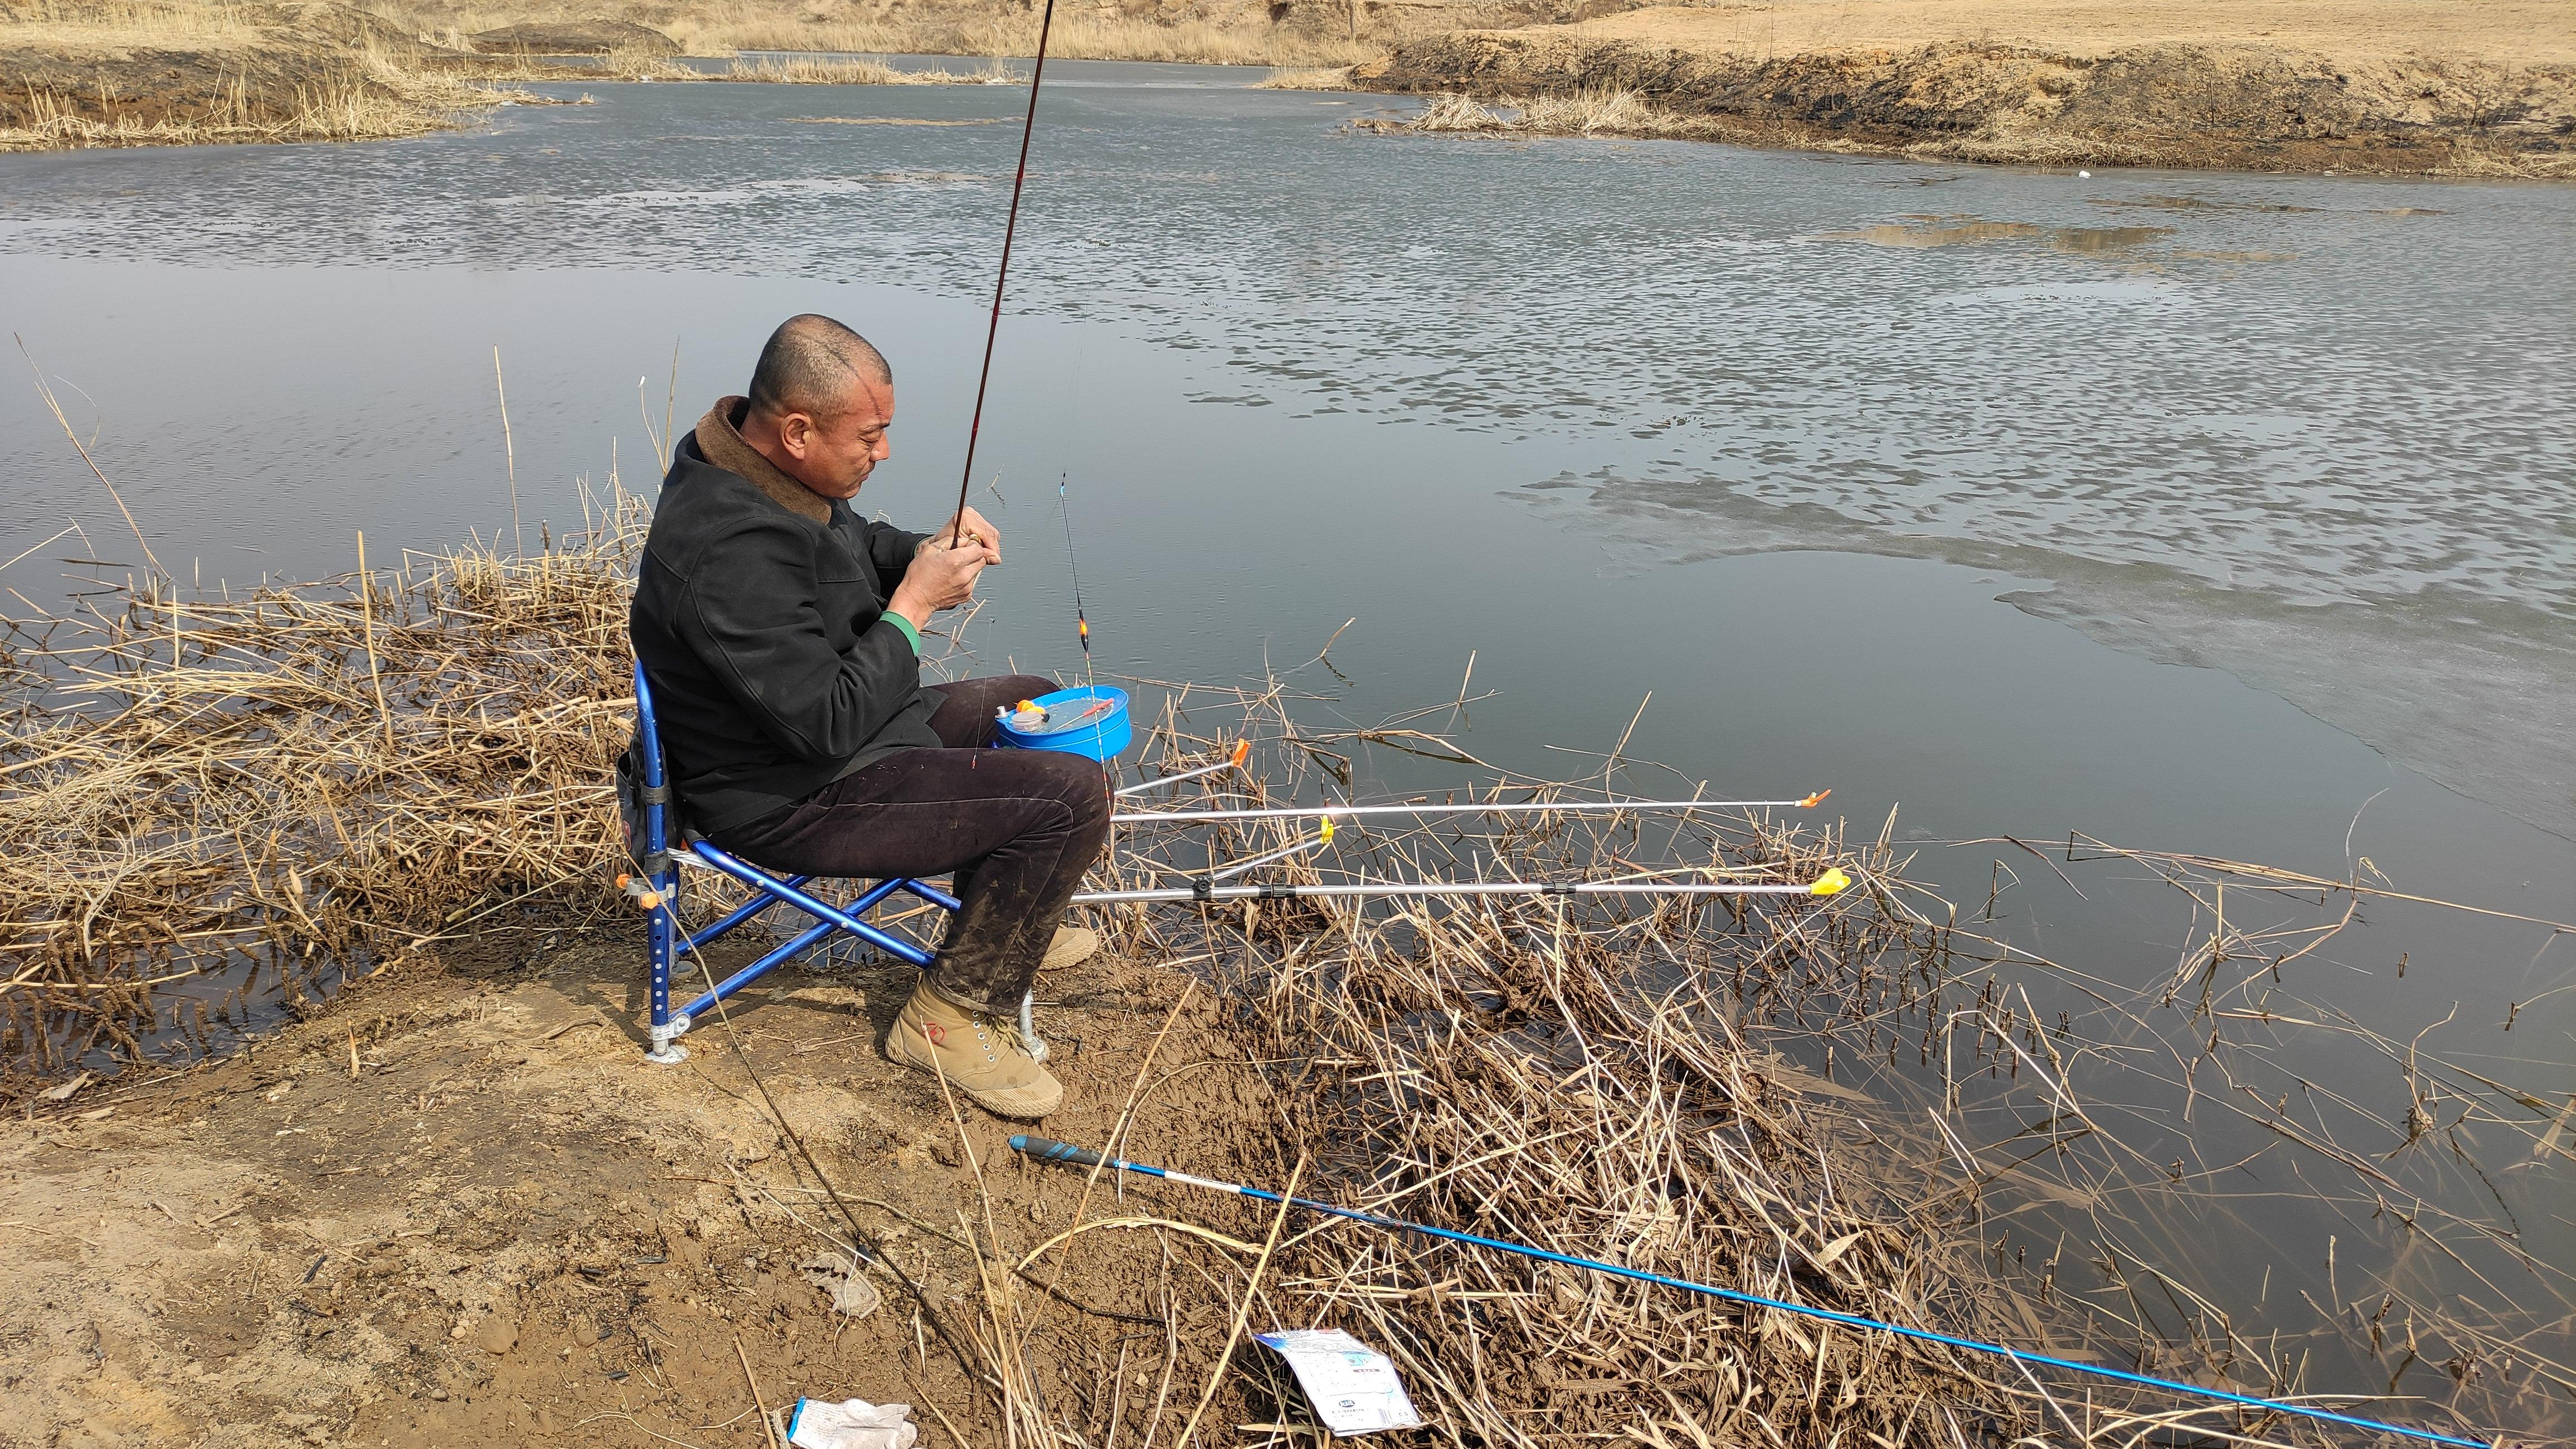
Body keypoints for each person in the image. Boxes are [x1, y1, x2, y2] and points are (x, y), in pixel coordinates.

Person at [630, 313, 1109, 1120]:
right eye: (870, 436)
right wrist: (914, 605)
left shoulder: (761, 470)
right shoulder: (728, 550)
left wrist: (927, 551)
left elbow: (847, 548)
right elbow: (828, 723)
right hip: (787, 792)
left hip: (832, 741)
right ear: (797, 431)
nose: (882, 452)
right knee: (1069, 799)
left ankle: (1010, 914)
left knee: (1036, 703)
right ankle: (947, 1020)